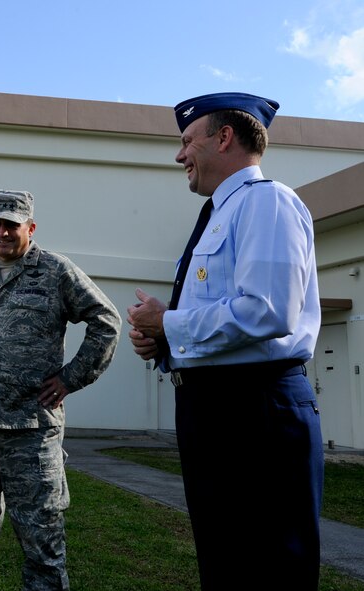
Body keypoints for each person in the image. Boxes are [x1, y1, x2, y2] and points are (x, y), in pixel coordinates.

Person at [127, 93, 323, 590]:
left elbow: (269, 310)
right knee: (227, 562)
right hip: (219, 410)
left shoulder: (268, 202)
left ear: (224, 137)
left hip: (256, 412)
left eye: (187, 141)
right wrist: (163, 343)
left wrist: (169, 324)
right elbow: (219, 317)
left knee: (270, 567)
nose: (179, 156)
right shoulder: (222, 214)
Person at [0, 189, 121, 590]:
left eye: (12, 224)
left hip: (31, 430)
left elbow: (105, 321)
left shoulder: (56, 271)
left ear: (31, 227)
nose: (3, 232)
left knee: (41, 538)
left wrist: (70, 378)